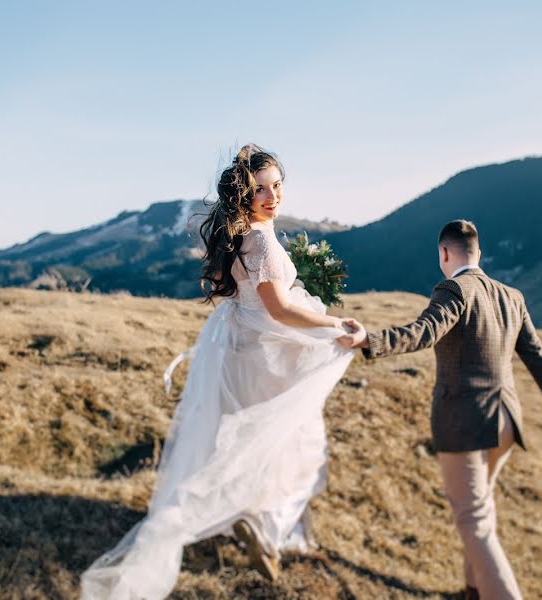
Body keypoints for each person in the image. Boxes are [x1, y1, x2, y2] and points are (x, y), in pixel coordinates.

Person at [81, 144, 357, 600]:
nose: (272, 196)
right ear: (242, 195)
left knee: (252, 440)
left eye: (277, 186)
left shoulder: (243, 235)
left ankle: (253, 520)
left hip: (245, 356)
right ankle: (264, 527)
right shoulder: (263, 241)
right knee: (285, 443)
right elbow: (280, 309)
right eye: (260, 190)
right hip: (268, 360)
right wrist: (333, 324)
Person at [338, 219, 542, 600]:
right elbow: (538, 357)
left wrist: (368, 340)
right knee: (481, 510)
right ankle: (473, 590)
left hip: (466, 422)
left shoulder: (454, 288)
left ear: (444, 253)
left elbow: (423, 331)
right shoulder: (512, 296)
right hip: (506, 421)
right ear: (478, 252)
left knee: (474, 521)